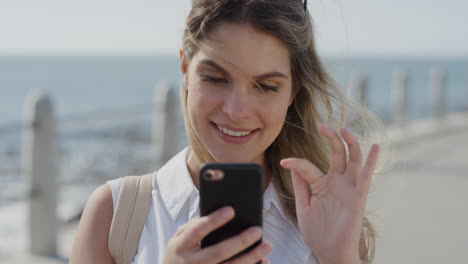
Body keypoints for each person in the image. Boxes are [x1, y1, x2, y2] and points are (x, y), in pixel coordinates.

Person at [71, 0, 384, 263]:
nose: (236, 111)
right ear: (185, 69)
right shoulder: (115, 214)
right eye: (216, 78)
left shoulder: (324, 217)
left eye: (266, 86)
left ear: (292, 92)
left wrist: (338, 257)